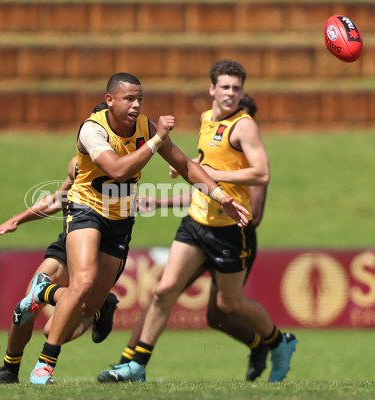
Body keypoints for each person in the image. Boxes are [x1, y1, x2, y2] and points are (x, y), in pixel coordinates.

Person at [12, 72, 249, 385]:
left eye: (140, 99)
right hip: (86, 211)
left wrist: (219, 194)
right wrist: (156, 140)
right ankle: (43, 366)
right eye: (129, 99)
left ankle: (68, 300)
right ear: (109, 100)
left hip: (119, 223)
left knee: (74, 315)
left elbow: (186, 166)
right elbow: (118, 171)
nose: (137, 105)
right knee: (82, 282)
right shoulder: (92, 129)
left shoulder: (145, 128)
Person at [97, 61, 297, 384]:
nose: (231, 93)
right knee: (164, 290)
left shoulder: (244, 126)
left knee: (228, 305)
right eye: (225, 87)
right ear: (212, 89)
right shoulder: (206, 119)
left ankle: (279, 342)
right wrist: (189, 169)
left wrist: (214, 175)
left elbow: (262, 173)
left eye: (236, 88)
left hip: (230, 229)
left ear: (241, 92)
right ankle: (136, 366)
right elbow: (204, 163)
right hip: (196, 222)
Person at [120, 93, 271, 382]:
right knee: (164, 292)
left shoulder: (252, 168)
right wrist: (162, 201)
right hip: (198, 231)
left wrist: (224, 179)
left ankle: (262, 344)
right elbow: (201, 189)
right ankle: (128, 363)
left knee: (218, 315)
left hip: (231, 238)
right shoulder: (213, 150)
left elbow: (254, 215)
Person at [0, 104, 121, 385]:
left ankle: (96, 309)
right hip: (72, 241)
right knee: (26, 305)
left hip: (102, 252)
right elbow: (59, 199)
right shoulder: (77, 163)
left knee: (52, 331)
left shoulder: (125, 166)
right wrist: (17, 219)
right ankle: (10, 369)